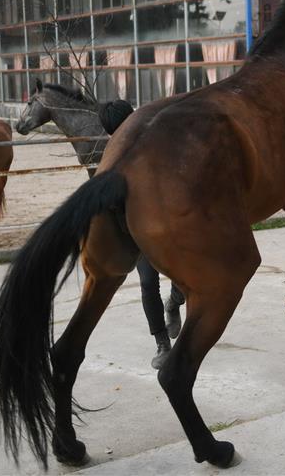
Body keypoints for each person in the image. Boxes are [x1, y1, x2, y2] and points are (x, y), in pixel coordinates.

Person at [99, 99, 185, 370]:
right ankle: (162, 343)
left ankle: (174, 303)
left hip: (169, 225)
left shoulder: (159, 144)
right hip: (139, 232)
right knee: (148, 283)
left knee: (183, 277)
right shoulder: (112, 157)